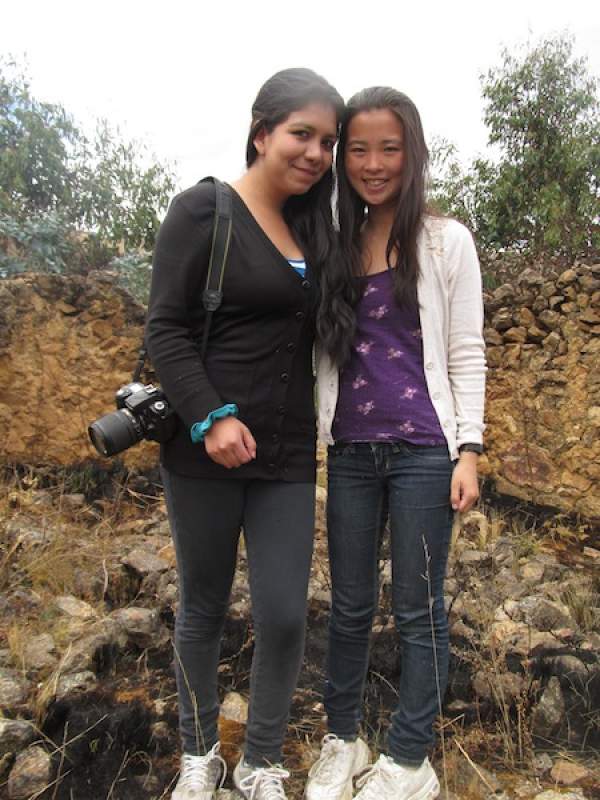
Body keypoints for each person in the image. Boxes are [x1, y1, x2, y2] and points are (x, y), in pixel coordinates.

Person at [145, 68, 344, 800]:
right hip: (203, 450)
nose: (316, 152)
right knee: (203, 604)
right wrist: (210, 415)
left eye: (327, 140)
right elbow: (164, 328)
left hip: (288, 455)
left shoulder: (314, 230)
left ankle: (261, 762)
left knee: (286, 614)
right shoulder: (204, 210)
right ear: (262, 132)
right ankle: (200, 754)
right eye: (302, 134)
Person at [306, 87, 486, 800]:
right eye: (358, 149)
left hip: (422, 453)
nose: (373, 164)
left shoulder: (446, 242)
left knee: (419, 610)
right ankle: (342, 741)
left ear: (411, 154)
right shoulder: (330, 244)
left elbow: (467, 351)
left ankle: (410, 760)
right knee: (348, 607)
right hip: (349, 450)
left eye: (389, 148)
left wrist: (468, 449)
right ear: (342, 156)